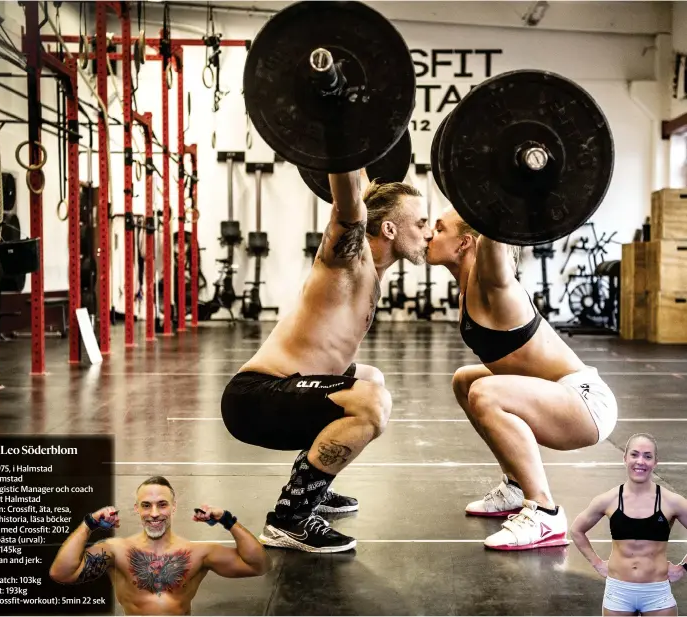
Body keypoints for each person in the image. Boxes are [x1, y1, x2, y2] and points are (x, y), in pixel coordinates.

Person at [221, 168, 432, 553]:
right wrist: (341, 138)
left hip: (289, 387)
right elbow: (350, 200)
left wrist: (360, 150)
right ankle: (290, 520)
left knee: (373, 379)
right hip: (256, 397)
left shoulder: (371, 270)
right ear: (388, 230)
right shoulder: (347, 258)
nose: (428, 232)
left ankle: (309, 485)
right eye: (420, 223)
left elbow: (364, 182)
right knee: (371, 403)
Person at [426, 208, 618, 550]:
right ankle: (516, 487)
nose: (429, 234)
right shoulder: (468, 288)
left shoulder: (496, 285)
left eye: (439, 229)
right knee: (466, 381)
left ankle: (544, 511)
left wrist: (494, 194)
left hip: (586, 403)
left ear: (465, 243)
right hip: (564, 398)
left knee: (486, 392)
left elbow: (496, 223)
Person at [49, 476, 271, 616]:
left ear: (173, 508)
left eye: (162, 505)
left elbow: (258, 565)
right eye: (146, 506)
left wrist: (227, 520)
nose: (154, 513)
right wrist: (89, 524)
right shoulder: (117, 551)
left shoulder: (197, 553)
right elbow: (62, 573)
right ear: (137, 509)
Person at [570, 434, 687, 616]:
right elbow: (576, 530)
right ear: (625, 458)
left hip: (656, 592)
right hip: (618, 592)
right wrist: (597, 563)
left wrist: (683, 568)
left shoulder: (672, 501)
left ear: (656, 462)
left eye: (647, 456)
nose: (640, 461)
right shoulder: (608, 500)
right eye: (634, 455)